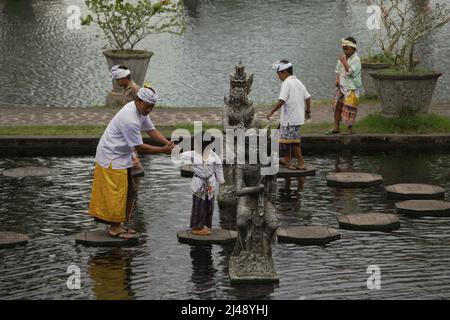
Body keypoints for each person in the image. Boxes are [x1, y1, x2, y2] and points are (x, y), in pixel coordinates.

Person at [89, 87, 175, 239]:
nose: (149, 109)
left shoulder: (141, 111)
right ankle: (114, 228)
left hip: (123, 155)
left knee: (128, 191)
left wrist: (168, 144)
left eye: (152, 107)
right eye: (146, 105)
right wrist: (162, 150)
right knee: (116, 192)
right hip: (111, 156)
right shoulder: (130, 118)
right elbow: (139, 147)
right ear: (138, 100)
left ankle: (120, 225)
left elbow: (151, 130)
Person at [266, 60, 311, 170]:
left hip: (290, 119)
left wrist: (271, 111)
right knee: (288, 140)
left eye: (279, 74)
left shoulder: (286, 83)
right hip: (297, 118)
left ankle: (301, 163)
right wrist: (307, 111)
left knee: (292, 142)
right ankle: (287, 159)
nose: (278, 77)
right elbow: (308, 97)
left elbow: (282, 100)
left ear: (284, 72)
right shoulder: (298, 81)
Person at [177, 133, 225, 235]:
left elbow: (218, 167)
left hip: (210, 183)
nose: (194, 146)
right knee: (198, 204)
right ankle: (197, 226)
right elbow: (180, 156)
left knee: (209, 203)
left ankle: (205, 224)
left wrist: (221, 181)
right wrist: (176, 148)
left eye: (195, 144)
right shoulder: (193, 154)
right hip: (199, 183)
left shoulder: (213, 155)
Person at [326, 37, 362, 135]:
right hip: (341, 86)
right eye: (344, 48)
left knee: (350, 108)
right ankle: (336, 127)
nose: (345, 50)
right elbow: (337, 70)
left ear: (353, 49)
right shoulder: (342, 58)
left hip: (352, 87)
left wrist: (344, 62)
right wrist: (337, 79)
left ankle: (349, 129)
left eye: (347, 48)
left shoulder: (356, 60)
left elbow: (351, 73)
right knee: (337, 106)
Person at [111, 65, 143, 169]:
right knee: (128, 143)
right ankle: (133, 162)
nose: (117, 82)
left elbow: (142, 105)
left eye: (118, 80)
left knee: (132, 144)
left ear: (125, 78)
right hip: (126, 121)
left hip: (132, 122)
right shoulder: (126, 88)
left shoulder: (135, 88)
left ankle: (135, 163)